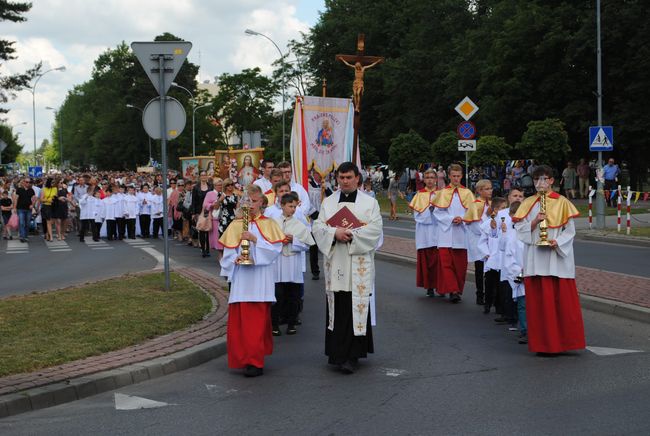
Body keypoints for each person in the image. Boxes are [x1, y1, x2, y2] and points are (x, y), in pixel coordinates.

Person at [312, 162, 383, 374]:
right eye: (341, 178)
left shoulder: (370, 203)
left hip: (358, 262)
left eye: (349, 177)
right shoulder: (329, 202)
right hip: (336, 262)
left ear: (357, 178)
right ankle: (336, 353)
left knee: (355, 306)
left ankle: (353, 355)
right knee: (339, 307)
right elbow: (318, 227)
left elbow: (375, 229)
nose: (344, 181)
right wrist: (334, 234)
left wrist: (350, 235)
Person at [513, 164, 585, 355]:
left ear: (552, 180)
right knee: (539, 306)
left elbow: (570, 231)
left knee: (561, 303)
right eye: (537, 179)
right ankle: (543, 344)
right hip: (535, 258)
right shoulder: (528, 203)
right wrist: (534, 221)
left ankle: (564, 342)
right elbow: (519, 230)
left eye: (544, 179)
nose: (540, 183)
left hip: (557, 259)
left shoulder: (562, 202)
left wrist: (558, 242)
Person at [219, 184, 285, 377]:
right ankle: (243, 359)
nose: (251, 204)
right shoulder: (235, 224)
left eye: (255, 201)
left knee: (256, 324)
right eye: (247, 200)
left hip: (260, 280)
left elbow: (275, 251)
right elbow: (227, 254)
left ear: (262, 203)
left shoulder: (270, 224)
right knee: (240, 324)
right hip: (241, 281)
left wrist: (256, 240)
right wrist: (235, 259)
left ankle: (255, 361)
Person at [271, 192, 315, 336]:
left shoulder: (298, 224)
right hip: (278, 264)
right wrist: (279, 240)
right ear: (282, 205)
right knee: (277, 295)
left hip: (293, 264)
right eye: (290, 206)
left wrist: (293, 240)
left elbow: (307, 245)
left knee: (293, 296)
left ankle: (291, 323)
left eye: (295, 207)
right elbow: (267, 242)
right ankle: (275, 324)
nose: (293, 209)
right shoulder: (273, 223)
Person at [432, 164, 475, 303]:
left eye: (458, 176)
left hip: (461, 233)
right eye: (453, 176)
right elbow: (438, 212)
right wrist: (451, 219)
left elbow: (472, 212)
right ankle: (453, 290)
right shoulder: (442, 192)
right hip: (446, 233)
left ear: (462, 176)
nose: (456, 178)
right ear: (449, 176)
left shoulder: (468, 193)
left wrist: (462, 219)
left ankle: (457, 289)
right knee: (446, 265)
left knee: (460, 265)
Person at [500, 200, 527, 344]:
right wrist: (519, 273)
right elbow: (508, 258)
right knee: (523, 305)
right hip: (521, 275)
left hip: (535, 274)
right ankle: (525, 331)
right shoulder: (512, 236)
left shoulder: (533, 233)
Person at [408, 168, 438, 297]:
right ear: (424, 180)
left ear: (436, 179)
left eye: (432, 177)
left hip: (438, 233)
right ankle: (429, 287)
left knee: (438, 262)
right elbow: (418, 217)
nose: (430, 180)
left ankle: (440, 286)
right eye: (428, 178)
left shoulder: (441, 195)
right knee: (427, 261)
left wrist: (436, 213)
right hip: (424, 234)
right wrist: (429, 212)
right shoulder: (419, 195)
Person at [463, 179, 492, 305]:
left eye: (490, 188)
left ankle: (491, 295)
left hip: (492, 242)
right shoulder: (475, 205)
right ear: (479, 191)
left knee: (491, 270)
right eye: (486, 189)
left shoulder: (493, 204)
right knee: (480, 269)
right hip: (479, 241)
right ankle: (480, 294)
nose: (490, 191)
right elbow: (475, 226)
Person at [478, 197, 507, 315]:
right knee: (490, 282)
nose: (505, 211)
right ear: (495, 210)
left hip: (502, 257)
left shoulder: (506, 222)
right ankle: (487, 303)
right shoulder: (487, 223)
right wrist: (486, 254)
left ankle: (499, 306)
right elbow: (482, 242)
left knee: (501, 284)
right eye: (502, 208)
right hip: (491, 258)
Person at [192, 171, 213, 257]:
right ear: (200, 177)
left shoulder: (211, 186)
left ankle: (208, 249)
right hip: (200, 211)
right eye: (202, 175)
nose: (204, 177)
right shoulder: (196, 187)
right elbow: (193, 201)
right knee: (202, 230)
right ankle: (203, 249)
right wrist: (193, 213)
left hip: (209, 210)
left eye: (205, 175)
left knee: (208, 230)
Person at [203, 177, 223, 256]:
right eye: (218, 185)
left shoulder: (223, 194)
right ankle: (219, 253)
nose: (220, 187)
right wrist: (212, 204)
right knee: (216, 237)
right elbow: (205, 205)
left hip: (223, 218)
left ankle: (222, 253)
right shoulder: (210, 194)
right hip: (214, 218)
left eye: (221, 185)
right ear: (214, 186)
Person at [12, 178, 36, 243]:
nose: (28, 183)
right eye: (27, 182)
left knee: (27, 224)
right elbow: (16, 199)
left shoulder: (31, 190)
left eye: (29, 182)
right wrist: (14, 208)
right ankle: (22, 237)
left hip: (28, 209)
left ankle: (25, 236)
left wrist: (32, 205)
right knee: (22, 223)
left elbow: (34, 198)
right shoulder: (19, 190)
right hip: (20, 209)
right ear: (24, 182)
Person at [40, 177, 58, 241]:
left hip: (53, 206)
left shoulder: (55, 189)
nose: (53, 183)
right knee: (48, 221)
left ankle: (47, 233)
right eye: (52, 182)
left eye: (54, 182)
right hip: (46, 207)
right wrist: (48, 200)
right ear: (49, 182)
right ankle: (51, 237)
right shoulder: (44, 189)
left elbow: (56, 197)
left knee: (52, 222)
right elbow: (41, 199)